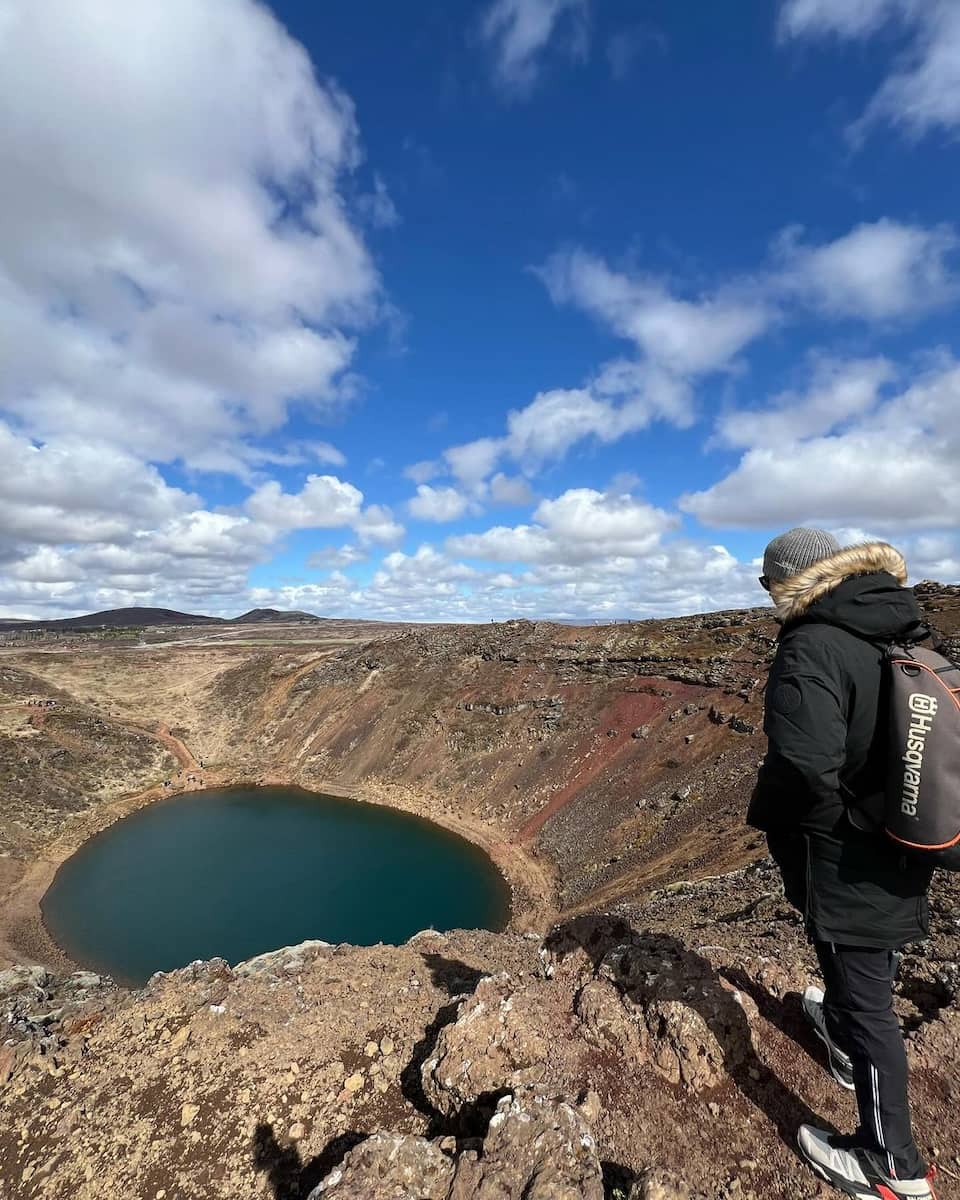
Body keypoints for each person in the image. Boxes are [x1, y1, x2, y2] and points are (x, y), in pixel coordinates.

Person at [747, 528, 938, 1200]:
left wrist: (768, 814)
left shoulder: (813, 642)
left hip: (848, 852)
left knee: (870, 1002)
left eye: (767, 582)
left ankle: (892, 1166)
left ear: (789, 580)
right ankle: (841, 1029)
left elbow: (804, 764)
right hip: (900, 840)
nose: (767, 594)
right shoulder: (899, 631)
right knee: (860, 968)